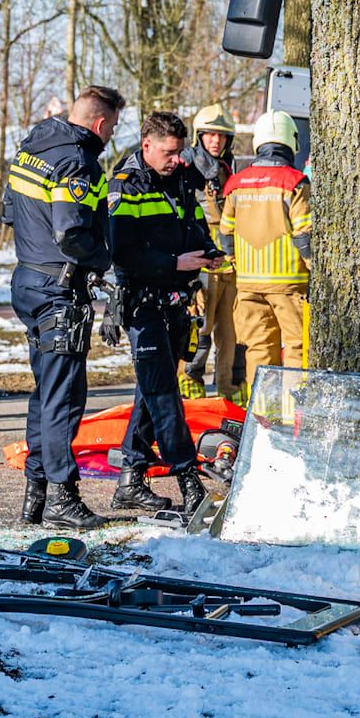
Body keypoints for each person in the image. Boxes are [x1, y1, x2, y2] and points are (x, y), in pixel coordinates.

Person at [7, 86, 123, 530]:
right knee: (64, 398)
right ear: (100, 123)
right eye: (112, 126)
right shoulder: (77, 161)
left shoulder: (30, 149)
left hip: (28, 280)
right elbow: (70, 232)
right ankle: (61, 495)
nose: (111, 134)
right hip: (59, 287)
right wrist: (102, 259)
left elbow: (8, 213)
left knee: (45, 393)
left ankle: (36, 495)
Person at [107, 110, 221, 515]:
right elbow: (122, 252)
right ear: (146, 146)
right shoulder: (126, 185)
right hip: (143, 303)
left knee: (150, 392)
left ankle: (130, 478)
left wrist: (207, 252)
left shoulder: (179, 179)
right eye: (169, 153)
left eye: (179, 152)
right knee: (164, 395)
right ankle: (188, 479)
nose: (176, 159)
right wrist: (175, 264)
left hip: (177, 302)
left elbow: (192, 225)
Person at [221, 110, 311, 405]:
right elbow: (304, 234)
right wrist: (316, 271)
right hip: (290, 286)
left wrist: (237, 264)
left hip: (248, 287)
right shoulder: (295, 182)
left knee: (259, 353)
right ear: (291, 142)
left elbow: (226, 233)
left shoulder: (235, 184)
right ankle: (293, 419)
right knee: (297, 350)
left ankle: (264, 421)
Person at [181, 105, 242, 401]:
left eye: (221, 136)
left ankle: (228, 389)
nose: (215, 141)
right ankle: (191, 380)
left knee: (230, 334)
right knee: (200, 328)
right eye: (210, 135)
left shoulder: (228, 168)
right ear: (199, 137)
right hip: (201, 263)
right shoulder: (188, 169)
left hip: (229, 263)